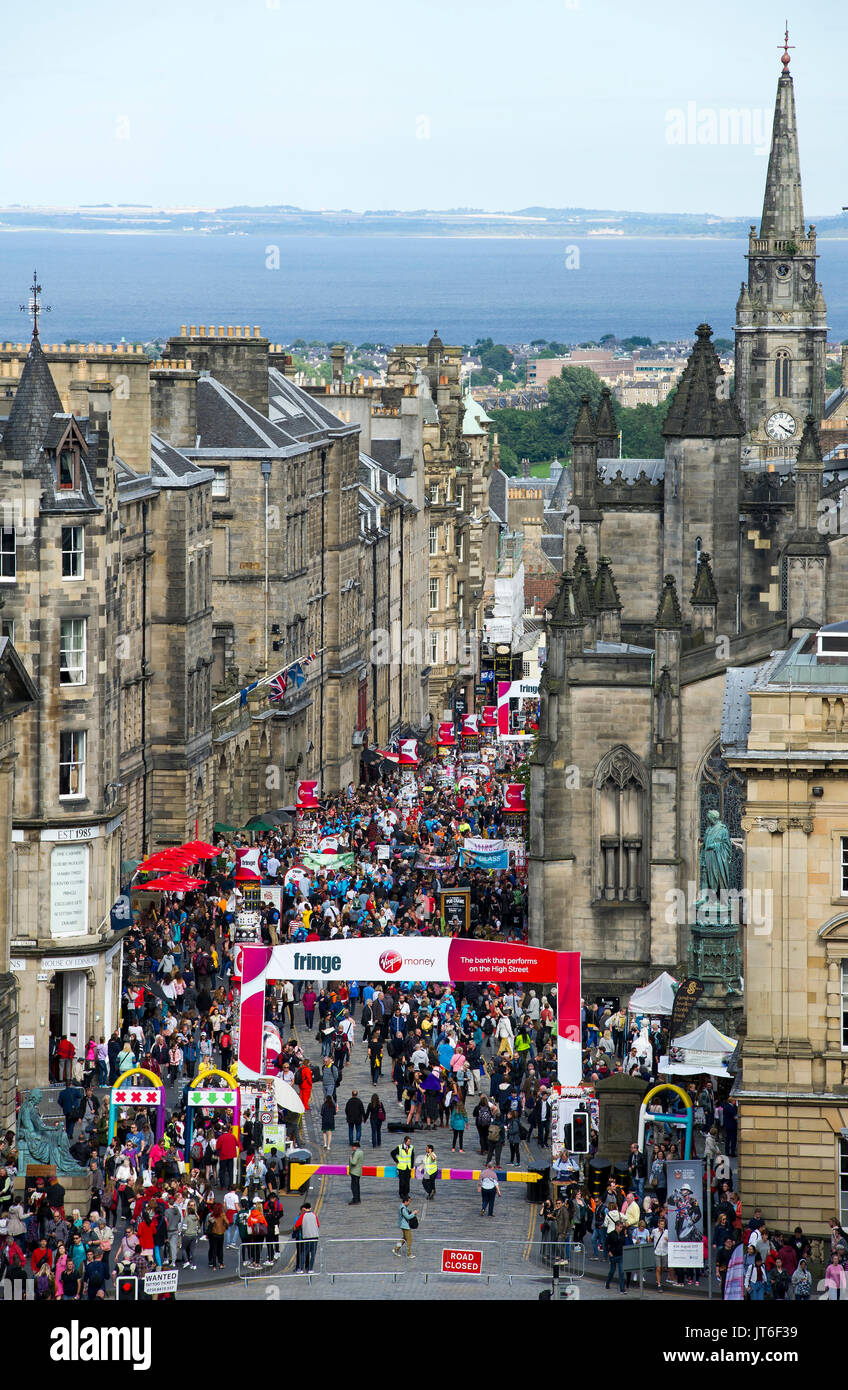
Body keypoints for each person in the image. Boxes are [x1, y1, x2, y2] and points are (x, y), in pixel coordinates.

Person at [293, 1202, 319, 1273]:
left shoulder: (303, 1216)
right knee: (313, 1253)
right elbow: (318, 1225)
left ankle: (300, 1269)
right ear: (310, 1208)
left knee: (304, 1253)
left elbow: (297, 1225)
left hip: (307, 1237)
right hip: (315, 1236)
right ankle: (310, 1269)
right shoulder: (314, 1215)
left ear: (304, 1208)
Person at [605, 1217, 627, 1294]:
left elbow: (624, 1243)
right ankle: (607, 1283)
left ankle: (622, 1289)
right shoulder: (611, 1234)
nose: (621, 1228)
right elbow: (606, 1244)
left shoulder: (622, 1234)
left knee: (621, 1272)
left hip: (620, 1255)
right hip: (613, 1255)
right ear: (616, 1226)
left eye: (622, 1227)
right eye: (620, 1227)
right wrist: (609, 1252)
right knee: (612, 1270)